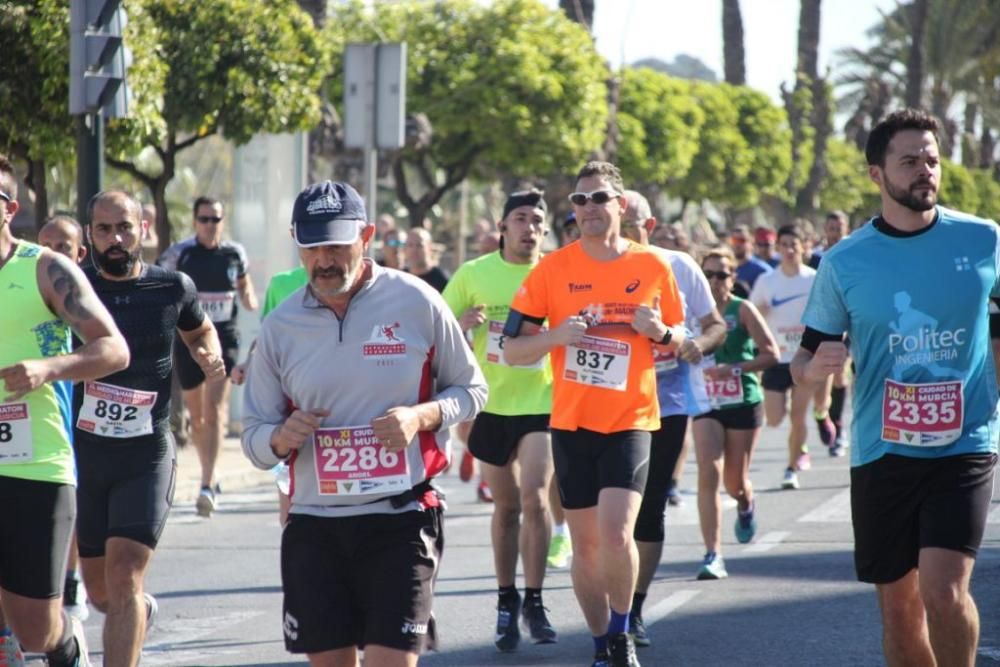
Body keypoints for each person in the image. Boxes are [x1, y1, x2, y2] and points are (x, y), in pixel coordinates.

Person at [241, 180, 487, 666]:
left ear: (367, 236)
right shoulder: (280, 327)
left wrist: (422, 415)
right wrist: (277, 437)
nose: (324, 259)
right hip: (314, 525)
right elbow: (253, 437)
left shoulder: (417, 301)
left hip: (400, 519)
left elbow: (473, 390)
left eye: (336, 244)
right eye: (312, 247)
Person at [791, 108, 998, 667]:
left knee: (944, 590)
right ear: (876, 175)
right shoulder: (844, 261)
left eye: (931, 159)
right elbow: (803, 359)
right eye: (909, 161)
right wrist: (814, 368)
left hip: (966, 441)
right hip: (885, 449)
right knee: (900, 608)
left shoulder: (985, 242)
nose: (925, 170)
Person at [503, 161, 687, 667]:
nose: (587, 208)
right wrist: (556, 336)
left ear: (620, 206)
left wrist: (661, 333)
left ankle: (624, 630)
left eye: (598, 198)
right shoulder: (552, 269)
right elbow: (512, 347)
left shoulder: (652, 266)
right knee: (584, 547)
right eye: (579, 201)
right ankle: (601, 640)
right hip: (570, 422)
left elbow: (682, 338)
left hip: (630, 419)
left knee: (615, 534)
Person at [76, 190, 225, 666]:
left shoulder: (171, 287)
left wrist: (208, 350)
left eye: (124, 227)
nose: (115, 239)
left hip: (146, 455)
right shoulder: (71, 288)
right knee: (101, 592)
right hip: (84, 455)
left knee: (125, 577)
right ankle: (136, 610)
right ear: (89, 235)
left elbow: (199, 328)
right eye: (104, 230)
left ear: (143, 229)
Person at [0, 154, 130, 666]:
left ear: (9, 208)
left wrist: (49, 369)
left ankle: (65, 644)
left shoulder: (46, 269)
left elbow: (114, 349)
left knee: (34, 627)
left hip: (36, 465)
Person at [443, 189, 557, 652]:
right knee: (506, 508)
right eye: (520, 219)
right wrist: (463, 323)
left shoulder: (556, 272)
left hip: (541, 400)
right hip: (489, 404)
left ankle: (535, 599)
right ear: (503, 228)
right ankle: (506, 601)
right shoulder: (474, 273)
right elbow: (437, 324)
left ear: (544, 230)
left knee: (535, 499)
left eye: (537, 220)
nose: (529, 228)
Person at [619, 191, 725, 645]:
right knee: (605, 511)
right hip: (606, 404)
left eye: (629, 223)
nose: (619, 232)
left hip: (667, 401)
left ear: (650, 225)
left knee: (648, 505)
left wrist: (695, 345)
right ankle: (611, 606)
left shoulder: (680, 265)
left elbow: (716, 323)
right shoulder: (583, 266)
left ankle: (633, 609)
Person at [162, 196, 257, 516]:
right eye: (204, 219)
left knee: (216, 410)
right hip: (190, 340)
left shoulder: (234, 252)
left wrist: (251, 300)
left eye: (215, 219)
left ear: (222, 221)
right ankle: (210, 474)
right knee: (198, 416)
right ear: (194, 222)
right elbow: (161, 283)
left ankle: (206, 483)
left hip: (225, 338)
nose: (209, 225)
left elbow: (244, 285)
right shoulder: (180, 253)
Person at [692, 248, 779, 580]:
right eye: (709, 274)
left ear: (733, 278)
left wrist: (734, 369)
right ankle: (713, 553)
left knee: (734, 482)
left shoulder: (743, 310)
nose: (715, 281)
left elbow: (771, 354)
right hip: (706, 404)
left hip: (742, 400)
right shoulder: (691, 312)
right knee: (707, 472)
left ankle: (745, 503)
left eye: (722, 275)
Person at [36, 215, 91, 623]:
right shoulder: (29, 280)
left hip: (76, 414)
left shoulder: (82, 295)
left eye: (65, 246)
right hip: (28, 417)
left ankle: (69, 579)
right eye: (47, 244)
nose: (55, 253)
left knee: (70, 499)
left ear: (80, 254)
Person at [749, 223, 831, 490]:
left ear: (803, 246)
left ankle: (791, 467)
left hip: (804, 358)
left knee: (798, 417)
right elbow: (752, 314)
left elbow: (827, 313)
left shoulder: (813, 279)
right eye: (783, 245)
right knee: (773, 418)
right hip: (777, 358)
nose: (789, 250)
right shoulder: (767, 281)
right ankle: (799, 445)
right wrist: (760, 310)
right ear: (778, 248)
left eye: (793, 244)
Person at [729, 224, 772, 297]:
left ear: (751, 242)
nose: (737, 244)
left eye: (742, 240)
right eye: (734, 240)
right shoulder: (726, 270)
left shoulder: (763, 270)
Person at [405, 228, 450, 292]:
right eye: (410, 245)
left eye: (419, 245)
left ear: (429, 247)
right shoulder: (401, 277)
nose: (414, 250)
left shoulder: (442, 279)